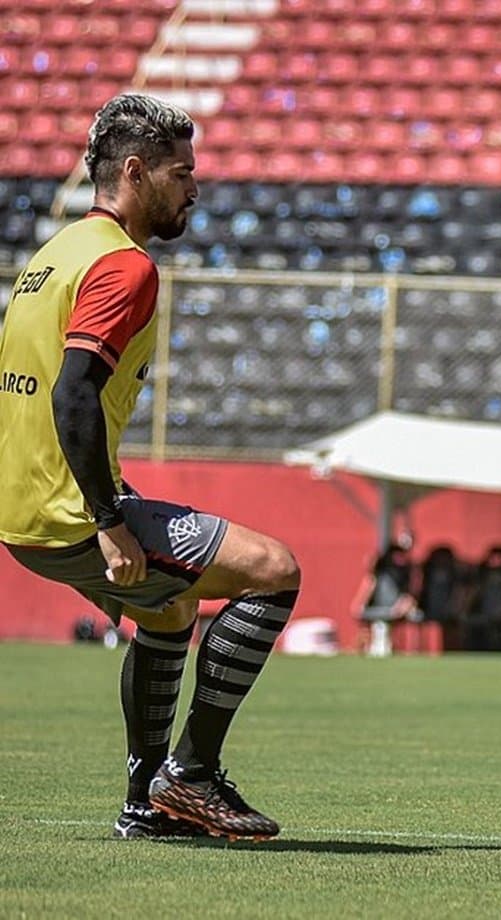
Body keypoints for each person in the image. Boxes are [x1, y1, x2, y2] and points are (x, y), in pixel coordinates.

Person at [0, 94, 301, 841]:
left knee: (166, 609)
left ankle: (145, 806)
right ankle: (191, 773)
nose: (194, 187)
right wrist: (108, 523)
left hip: (22, 507)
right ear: (134, 173)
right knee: (274, 568)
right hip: (69, 513)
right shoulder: (124, 267)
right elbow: (73, 395)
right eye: (181, 172)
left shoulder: (54, 253)